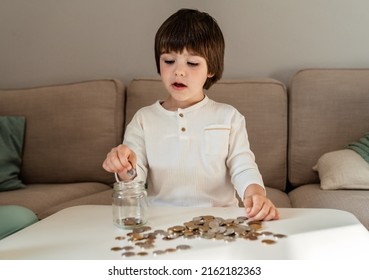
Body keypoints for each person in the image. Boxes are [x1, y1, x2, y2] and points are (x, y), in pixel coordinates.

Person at [103, 8, 279, 221]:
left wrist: (256, 194)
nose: (178, 71)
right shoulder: (143, 119)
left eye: (192, 63)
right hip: (160, 221)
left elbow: (243, 166)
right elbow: (134, 180)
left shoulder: (228, 117)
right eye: (169, 61)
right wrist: (125, 167)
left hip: (219, 222)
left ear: (211, 69)